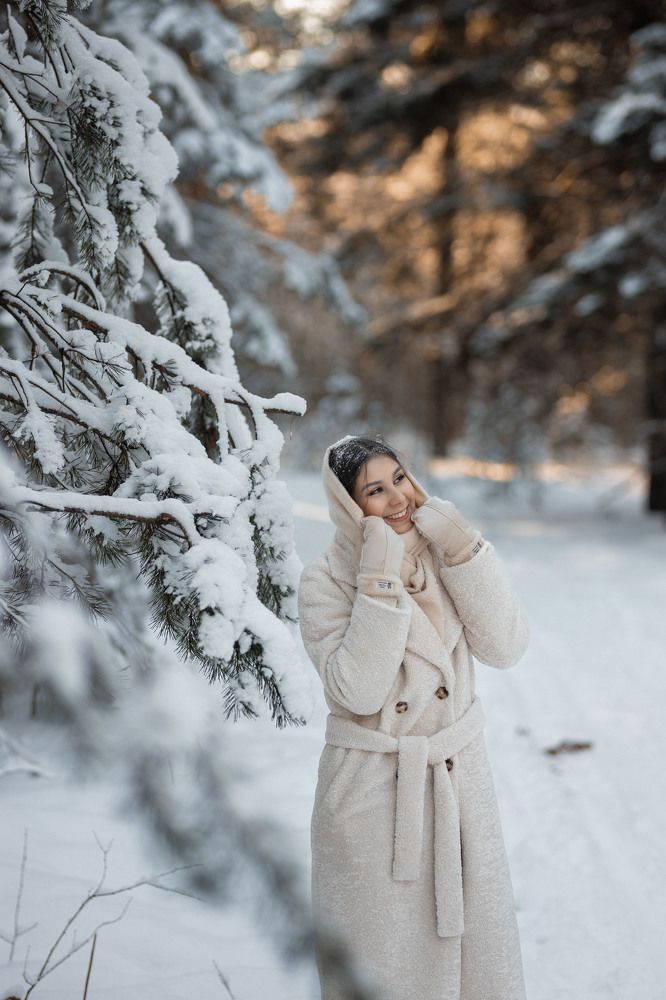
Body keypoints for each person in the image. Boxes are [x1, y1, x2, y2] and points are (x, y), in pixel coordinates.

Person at [297, 435, 530, 1000]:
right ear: (349, 505)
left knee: (475, 967)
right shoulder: (325, 581)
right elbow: (357, 690)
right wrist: (377, 584)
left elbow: (506, 647)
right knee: (384, 969)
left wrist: (464, 549)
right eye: (374, 490)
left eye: (399, 478)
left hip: (456, 782)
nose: (397, 498)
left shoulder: (441, 555)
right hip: (374, 796)